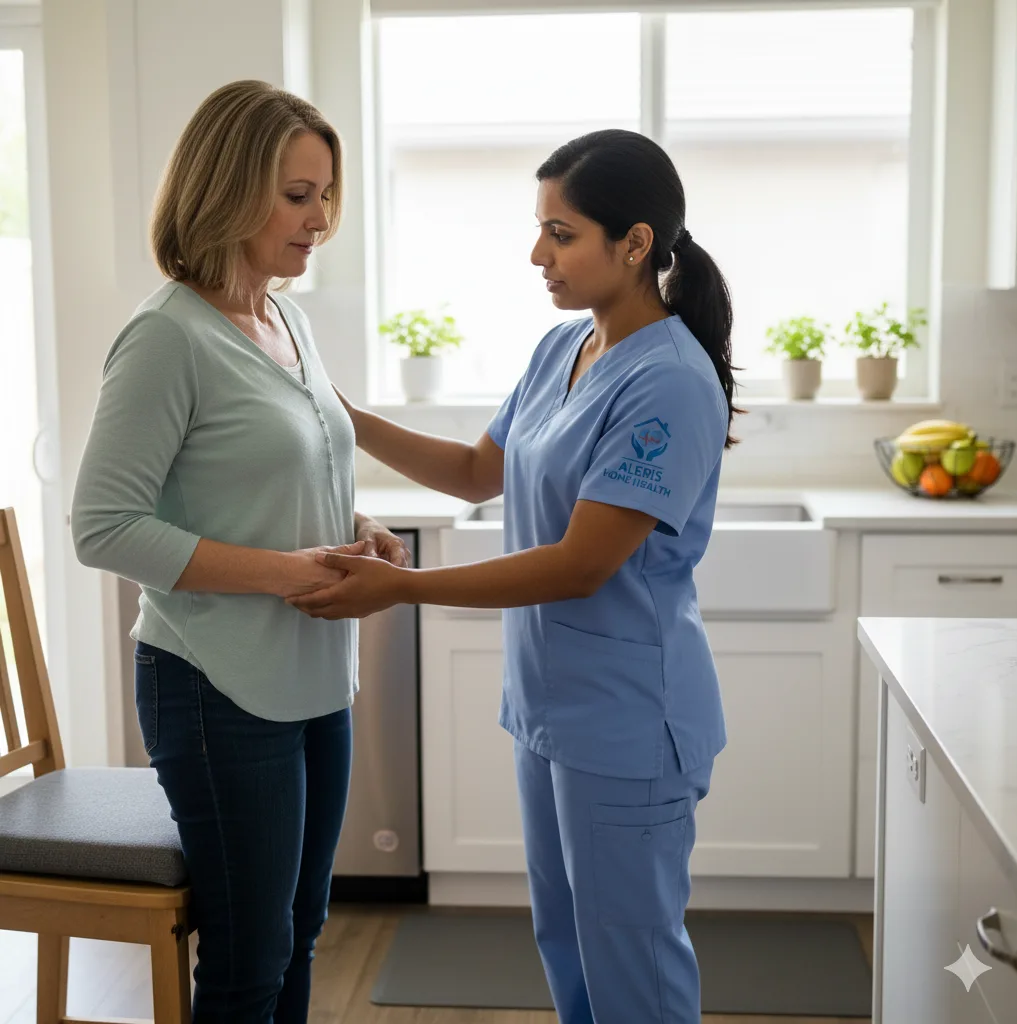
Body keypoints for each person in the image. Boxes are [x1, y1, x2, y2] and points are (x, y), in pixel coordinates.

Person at [293, 129, 740, 1023]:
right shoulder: (561, 350)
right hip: (549, 711)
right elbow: (472, 471)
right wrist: (333, 411)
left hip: (626, 720)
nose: (538, 254)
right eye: (540, 229)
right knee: (569, 946)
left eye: (562, 234)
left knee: (633, 972)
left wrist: (405, 588)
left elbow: (580, 566)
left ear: (637, 242)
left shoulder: (672, 383)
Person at [71, 80, 407, 1020]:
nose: (321, 219)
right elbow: (102, 524)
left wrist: (355, 528)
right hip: (215, 682)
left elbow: (293, 465)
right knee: (251, 956)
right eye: (298, 196)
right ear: (225, 189)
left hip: (312, 673)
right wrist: (285, 573)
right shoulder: (165, 337)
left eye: (325, 195)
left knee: (301, 928)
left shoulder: (286, 320)